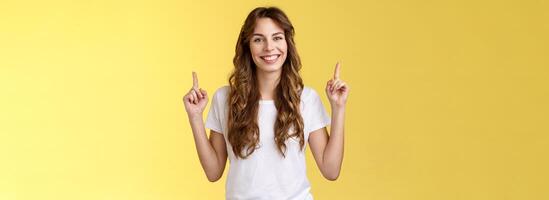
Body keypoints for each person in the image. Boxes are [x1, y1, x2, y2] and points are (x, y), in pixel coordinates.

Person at [182, 6, 349, 200]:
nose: (269, 47)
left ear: (287, 43)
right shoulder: (225, 99)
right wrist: (195, 117)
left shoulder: (307, 99)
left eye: (277, 37)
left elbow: (331, 170)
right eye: (258, 39)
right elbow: (213, 172)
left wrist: (338, 108)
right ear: (248, 46)